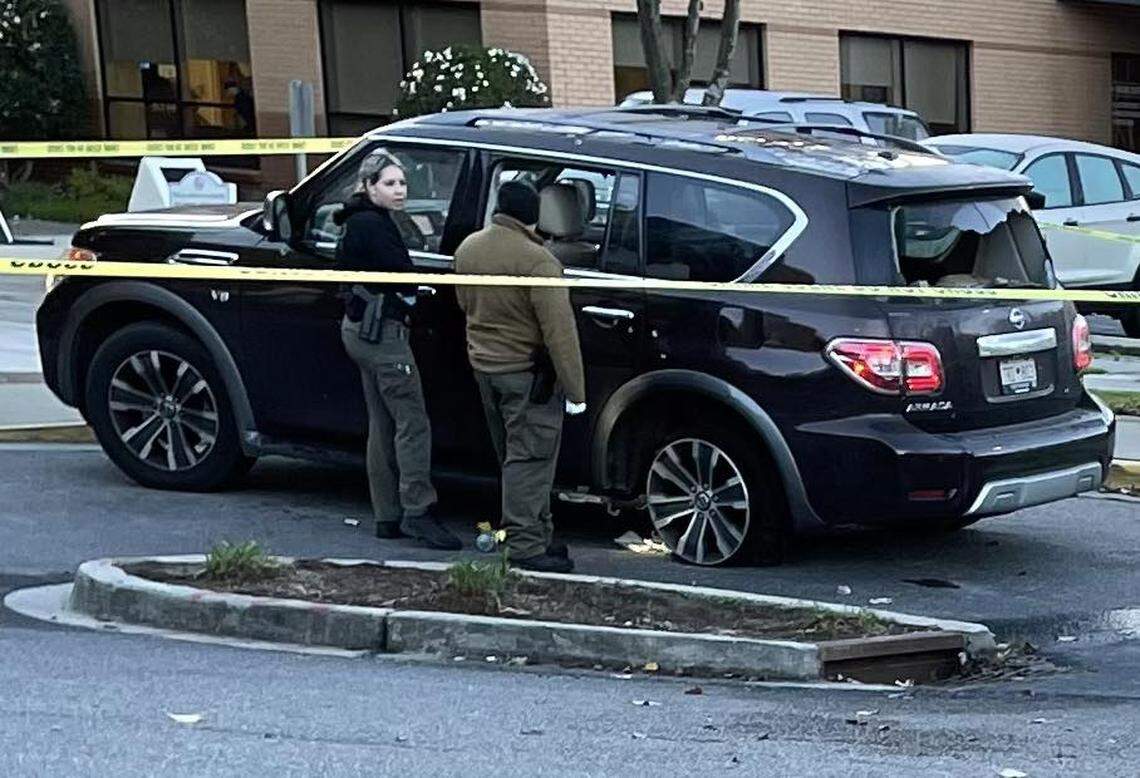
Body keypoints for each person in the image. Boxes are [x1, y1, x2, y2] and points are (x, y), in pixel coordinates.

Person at [454, 181, 586, 573]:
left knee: (514, 458)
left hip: (486, 369)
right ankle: (527, 545)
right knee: (530, 460)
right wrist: (576, 390)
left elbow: (464, 304)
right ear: (533, 217)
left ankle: (538, 535)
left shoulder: (468, 248)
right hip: (527, 375)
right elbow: (559, 332)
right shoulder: (538, 261)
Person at [336, 150, 461, 551]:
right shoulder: (372, 225)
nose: (399, 190)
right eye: (389, 183)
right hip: (382, 334)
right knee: (412, 422)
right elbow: (402, 278)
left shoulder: (359, 220)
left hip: (361, 330)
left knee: (383, 422)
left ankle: (387, 514)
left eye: (402, 183)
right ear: (369, 186)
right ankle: (418, 511)